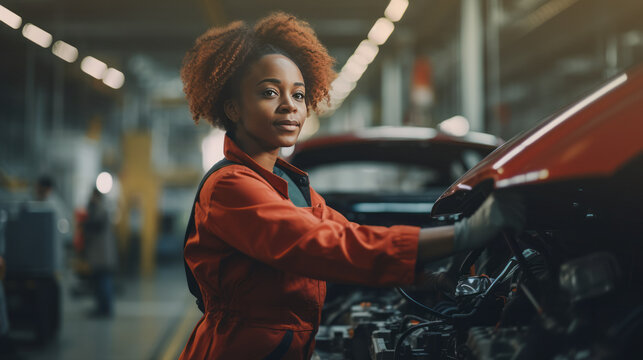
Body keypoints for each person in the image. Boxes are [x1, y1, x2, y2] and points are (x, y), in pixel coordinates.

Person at [179, 13, 525, 359]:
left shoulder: (290, 185)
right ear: (233, 108)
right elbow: (322, 245)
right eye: (270, 92)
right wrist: (464, 234)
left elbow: (350, 234)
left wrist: (424, 278)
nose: (289, 106)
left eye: (298, 95)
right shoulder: (231, 186)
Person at [83, 188, 117, 318]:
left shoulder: (101, 209)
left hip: (103, 255)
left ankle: (105, 310)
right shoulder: (99, 209)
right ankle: (101, 308)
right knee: (100, 283)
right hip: (99, 254)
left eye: (92, 196)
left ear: (96, 196)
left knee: (104, 283)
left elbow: (94, 225)